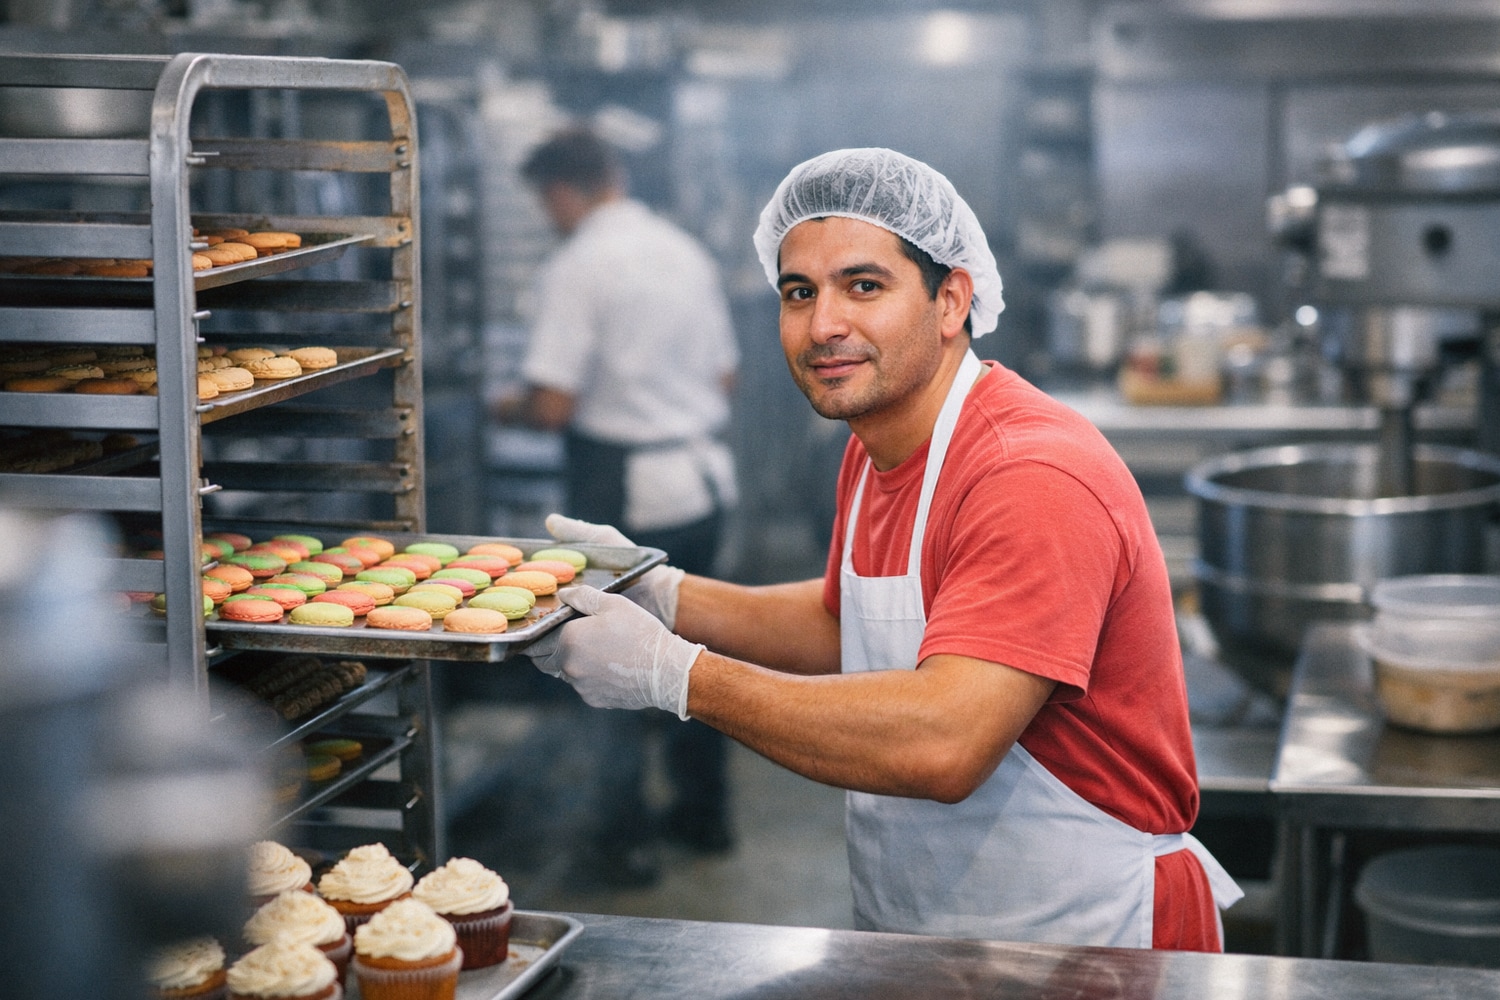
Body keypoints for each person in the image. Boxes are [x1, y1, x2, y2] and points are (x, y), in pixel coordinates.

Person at [528, 147, 1242, 948]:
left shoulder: (1029, 472)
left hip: (1092, 943)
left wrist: (675, 676)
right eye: (799, 292)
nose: (824, 324)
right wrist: (658, 591)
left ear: (951, 301)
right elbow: (851, 627)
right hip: (938, 936)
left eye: (863, 286)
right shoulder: (876, 448)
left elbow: (947, 739)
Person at [496, 126, 740, 880]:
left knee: (612, 664)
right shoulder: (683, 250)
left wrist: (496, 406)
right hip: (702, 479)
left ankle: (622, 847)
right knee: (698, 651)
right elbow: (726, 377)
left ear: (562, 191)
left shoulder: (579, 264)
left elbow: (553, 404)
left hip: (629, 488)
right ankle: (705, 820)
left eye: (546, 201)